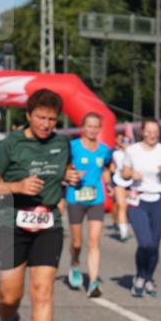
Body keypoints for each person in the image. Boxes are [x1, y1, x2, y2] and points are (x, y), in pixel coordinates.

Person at [0, 89, 80, 321]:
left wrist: (69, 176)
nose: (46, 124)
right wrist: (17, 186)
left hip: (48, 222)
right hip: (12, 223)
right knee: (9, 295)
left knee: (43, 290)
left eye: (51, 119)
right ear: (28, 115)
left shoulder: (62, 143)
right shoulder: (11, 144)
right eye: (40, 118)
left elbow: (65, 168)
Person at [122, 118, 161, 298]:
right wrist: (130, 174)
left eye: (155, 131)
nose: (152, 135)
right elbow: (124, 172)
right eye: (148, 131)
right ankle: (140, 276)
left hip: (159, 199)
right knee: (145, 243)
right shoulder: (132, 150)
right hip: (138, 199)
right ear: (142, 132)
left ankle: (148, 278)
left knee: (155, 245)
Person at [65, 112, 110, 298]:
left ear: (99, 129)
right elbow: (64, 167)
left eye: (95, 126)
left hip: (96, 199)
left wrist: (108, 183)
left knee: (94, 241)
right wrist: (70, 174)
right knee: (77, 242)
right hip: (75, 197)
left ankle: (93, 282)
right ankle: (75, 264)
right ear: (83, 128)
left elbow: (106, 168)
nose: (92, 130)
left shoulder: (105, 150)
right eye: (89, 126)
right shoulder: (72, 146)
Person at [110, 132, 133, 241]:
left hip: (132, 183)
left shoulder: (135, 154)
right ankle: (123, 232)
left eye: (128, 142)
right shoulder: (116, 154)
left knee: (129, 207)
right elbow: (112, 168)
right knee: (121, 205)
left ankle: (125, 224)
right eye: (124, 142)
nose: (126, 144)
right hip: (119, 181)